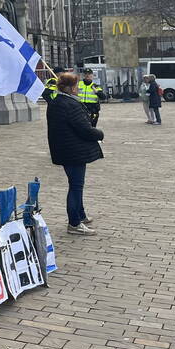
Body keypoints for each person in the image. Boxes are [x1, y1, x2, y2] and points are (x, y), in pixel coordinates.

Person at [45, 72, 103, 236]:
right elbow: (84, 129)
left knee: (76, 184)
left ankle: (81, 214)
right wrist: (99, 134)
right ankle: (74, 223)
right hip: (73, 151)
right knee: (76, 186)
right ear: (70, 88)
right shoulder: (70, 104)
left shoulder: (56, 102)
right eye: (76, 86)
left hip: (64, 149)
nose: (78, 88)